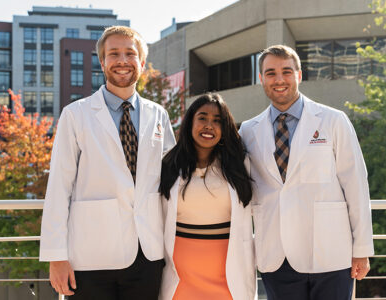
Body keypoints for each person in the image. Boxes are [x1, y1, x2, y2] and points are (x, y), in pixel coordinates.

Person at [39, 26, 175, 299]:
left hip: (147, 253)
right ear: (102, 62)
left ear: (142, 63)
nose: (122, 61)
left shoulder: (158, 114)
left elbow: (173, 179)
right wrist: (56, 256)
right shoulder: (75, 114)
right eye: (114, 54)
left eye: (130, 54)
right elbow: (59, 187)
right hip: (91, 256)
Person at [239, 45, 374, 300]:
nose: (279, 80)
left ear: (299, 75)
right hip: (277, 257)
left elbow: (356, 185)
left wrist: (362, 249)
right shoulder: (247, 131)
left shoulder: (334, 120)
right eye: (270, 73)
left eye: (286, 72)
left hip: (330, 254)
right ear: (261, 79)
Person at [159, 93, 257, 300]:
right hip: (180, 279)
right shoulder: (169, 164)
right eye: (202, 118)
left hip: (228, 278)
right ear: (190, 123)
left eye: (217, 121)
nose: (209, 125)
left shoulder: (240, 164)